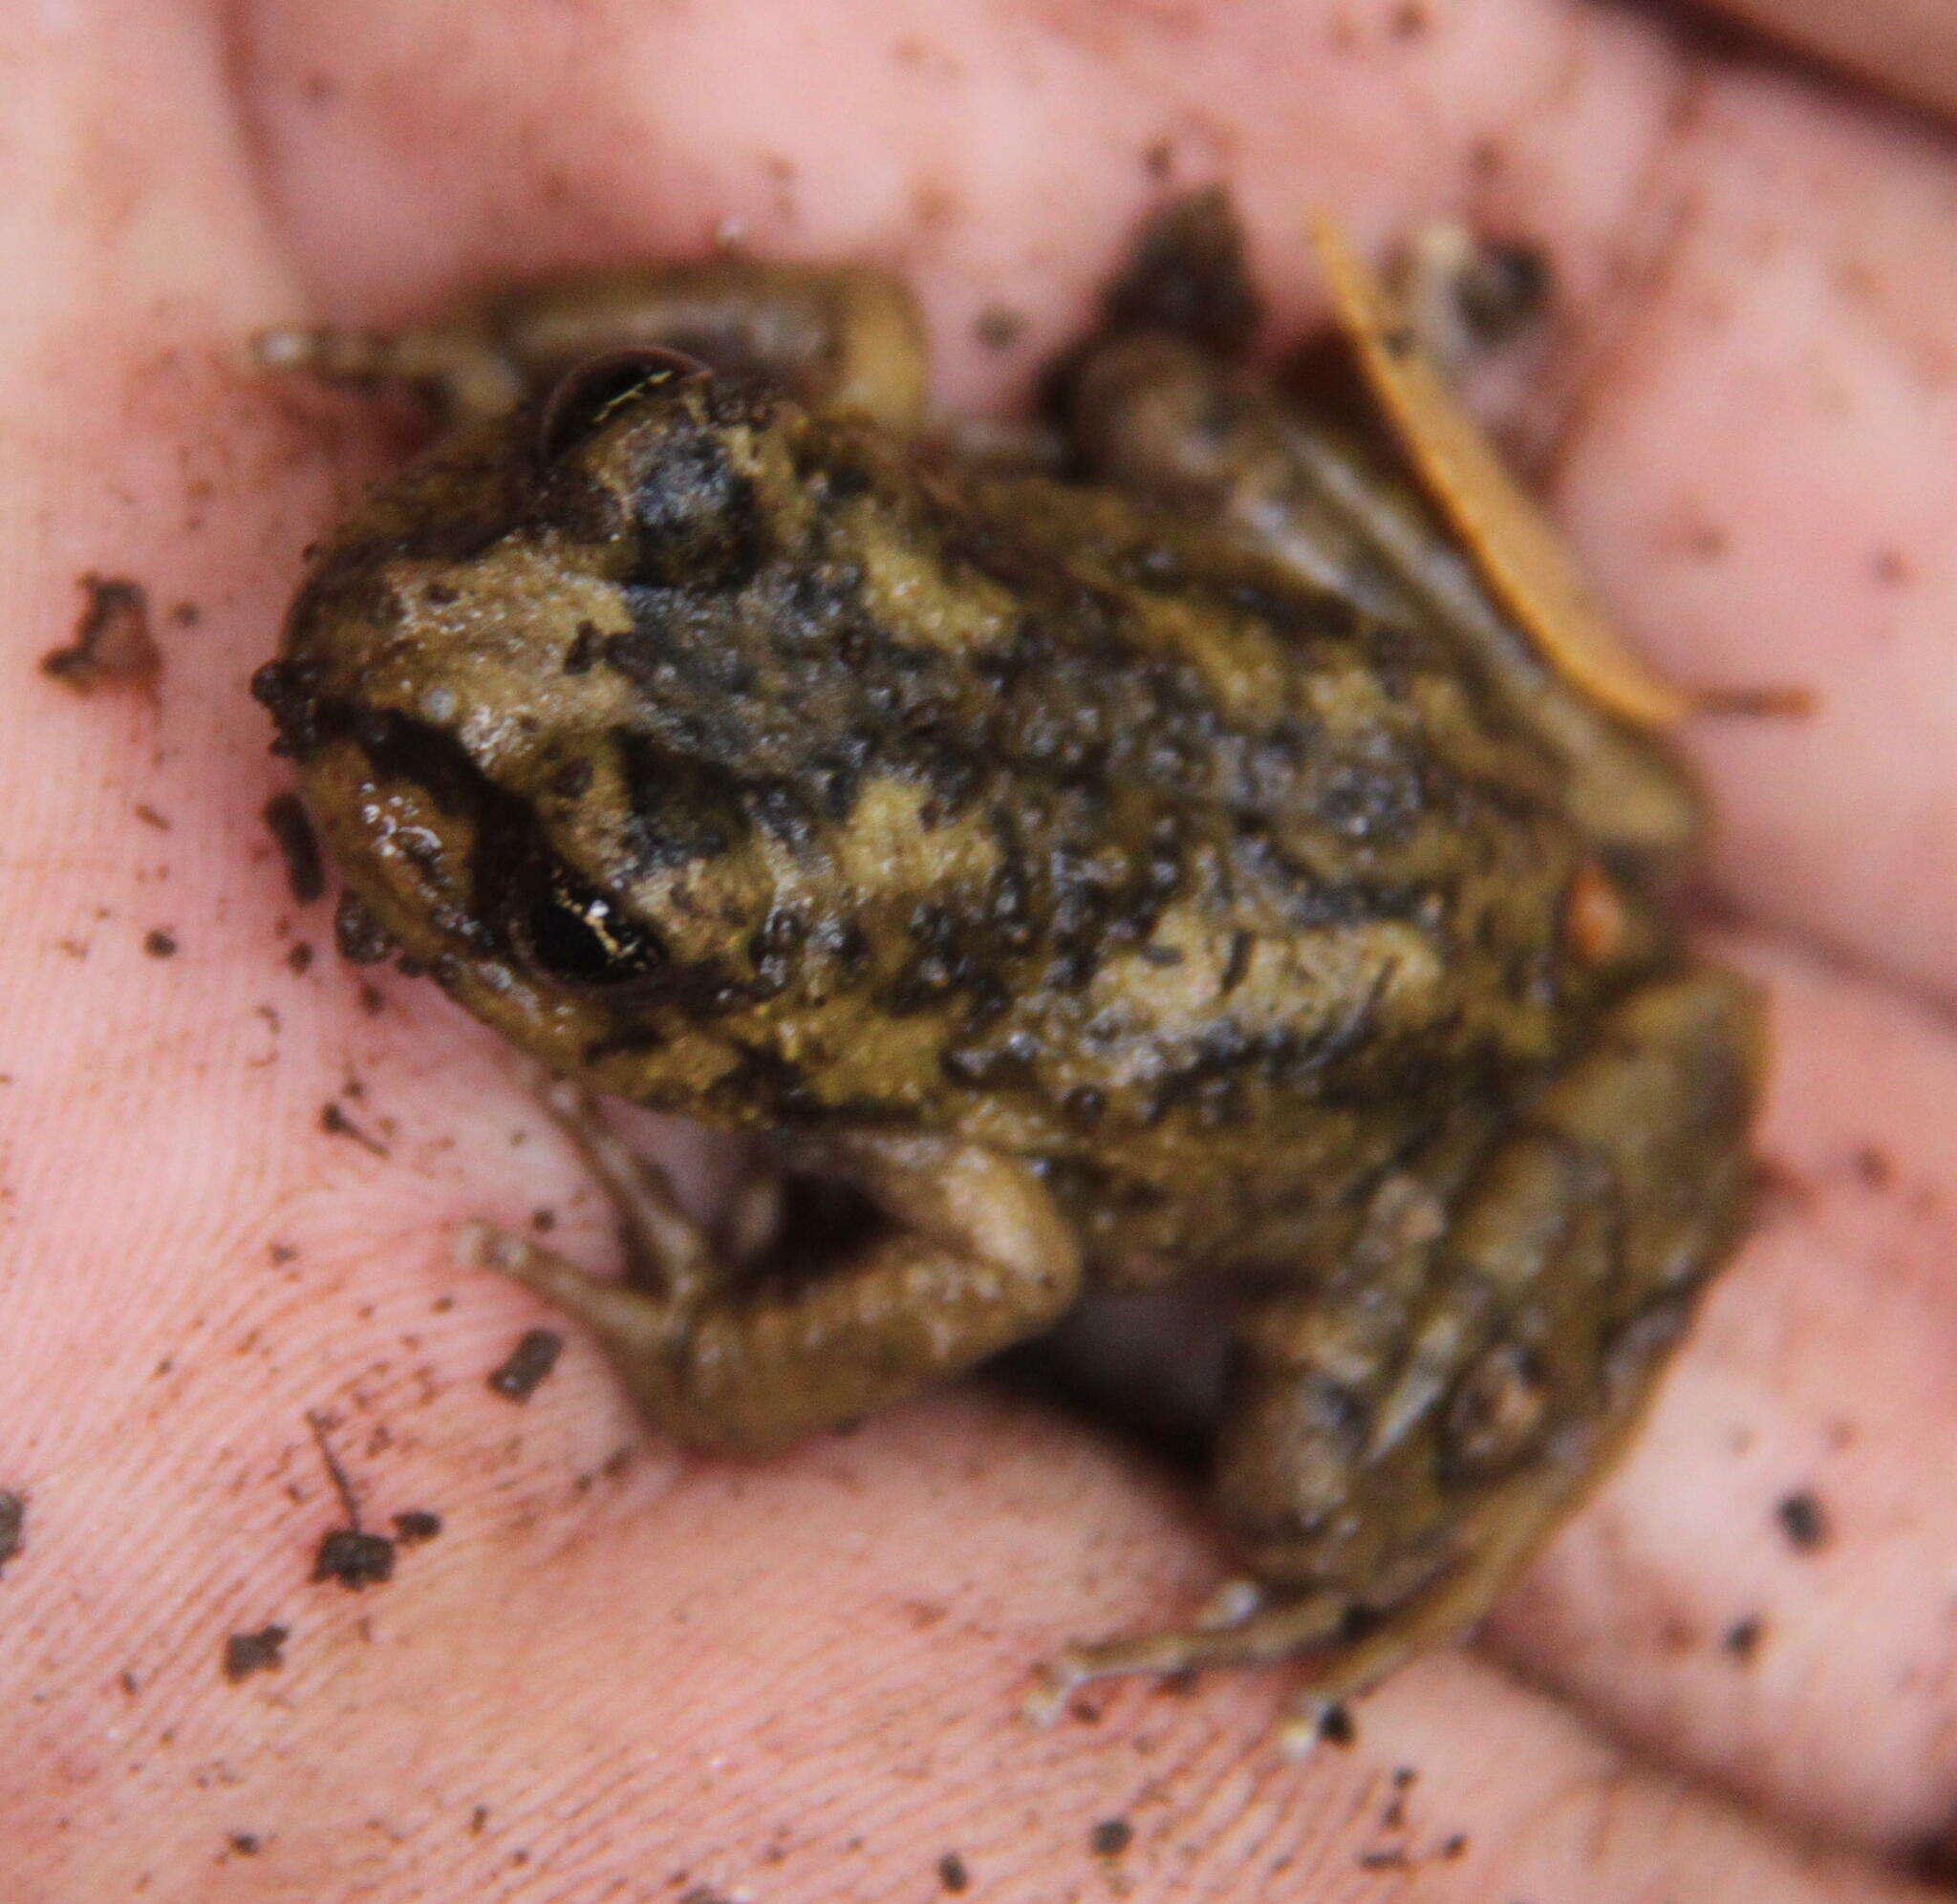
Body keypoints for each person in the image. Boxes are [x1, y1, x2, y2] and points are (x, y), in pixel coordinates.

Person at [6, 3, 1956, 1896]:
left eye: (588, 919)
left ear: (763, 1035)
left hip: (1445, 1063)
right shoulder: (789, 450)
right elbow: (845, 335)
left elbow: (1003, 1248)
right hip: (1422, 756)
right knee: (1164, 412)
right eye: (602, 429)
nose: (421, 601)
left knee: (1312, 1488)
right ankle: (1608, 801)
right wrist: (503, 355)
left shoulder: (938, 1114)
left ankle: (1557, 1111)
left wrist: (706, 1357)